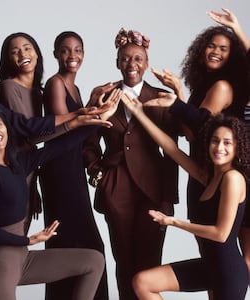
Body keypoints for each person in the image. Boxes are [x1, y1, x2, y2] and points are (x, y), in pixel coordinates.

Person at [0, 31, 118, 300]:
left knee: (92, 259)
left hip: (15, 190)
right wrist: (80, 115)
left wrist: (91, 119)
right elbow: (25, 129)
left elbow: (51, 147)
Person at [0, 103, 121, 300]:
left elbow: (60, 147)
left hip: (23, 259)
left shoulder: (18, 164)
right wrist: (29, 240)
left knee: (93, 261)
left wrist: (100, 121)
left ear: (7, 128)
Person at [121, 93, 250, 300]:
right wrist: (139, 113)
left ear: (237, 148)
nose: (219, 148)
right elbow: (171, 149)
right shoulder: (209, 177)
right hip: (209, 267)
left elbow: (221, 234)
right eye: (215, 141)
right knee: (143, 282)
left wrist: (174, 222)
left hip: (229, 274)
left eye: (227, 143)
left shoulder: (233, 178)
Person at [83, 28, 179, 300]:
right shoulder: (104, 95)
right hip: (117, 188)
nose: (131, 65)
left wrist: (169, 196)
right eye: (125, 59)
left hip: (154, 190)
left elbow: (172, 148)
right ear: (117, 62)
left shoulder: (160, 97)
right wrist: (97, 173)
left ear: (146, 63)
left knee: (150, 263)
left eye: (138, 59)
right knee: (123, 260)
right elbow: (88, 142)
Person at [149, 24, 249, 223]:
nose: (215, 52)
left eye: (223, 48)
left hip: (217, 174)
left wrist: (237, 28)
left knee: (226, 247)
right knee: (208, 243)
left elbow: (197, 130)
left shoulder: (221, 87)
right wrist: (178, 91)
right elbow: (189, 130)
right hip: (201, 169)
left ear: (232, 56)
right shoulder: (204, 86)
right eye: (211, 46)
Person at [39, 31, 108, 300]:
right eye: (66, 50)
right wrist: (98, 113)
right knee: (75, 245)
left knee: (82, 245)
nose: (72, 55)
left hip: (72, 170)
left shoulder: (75, 89)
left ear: (83, 54)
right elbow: (63, 130)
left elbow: (77, 123)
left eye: (77, 50)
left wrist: (91, 101)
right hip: (58, 171)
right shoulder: (55, 84)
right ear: (56, 54)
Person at [207, 7, 250, 286]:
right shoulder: (237, 93)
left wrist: (238, 30)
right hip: (242, 174)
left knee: (248, 258)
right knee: (236, 255)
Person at [0, 32, 45, 231]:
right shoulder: (9, 87)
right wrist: (77, 121)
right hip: (11, 171)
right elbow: (30, 134)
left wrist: (34, 188)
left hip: (29, 172)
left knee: (20, 237)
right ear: (9, 60)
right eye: (14, 52)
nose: (22, 54)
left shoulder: (37, 92)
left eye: (26, 48)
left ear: (36, 53)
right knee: (9, 236)